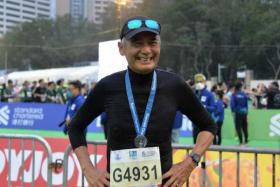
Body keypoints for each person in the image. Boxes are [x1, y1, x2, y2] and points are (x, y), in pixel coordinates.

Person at [68, 16, 217, 187]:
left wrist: (189, 163)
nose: (146, 50)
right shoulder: (108, 86)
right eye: (137, 43)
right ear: (121, 48)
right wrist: (89, 170)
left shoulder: (174, 85)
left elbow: (208, 126)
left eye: (152, 43)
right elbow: (75, 127)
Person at [192, 73, 216, 143]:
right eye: (197, 82)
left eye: (201, 82)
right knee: (195, 143)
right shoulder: (193, 93)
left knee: (205, 144)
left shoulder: (209, 94)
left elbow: (213, 108)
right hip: (195, 123)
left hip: (206, 123)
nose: (199, 83)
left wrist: (205, 107)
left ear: (205, 82)